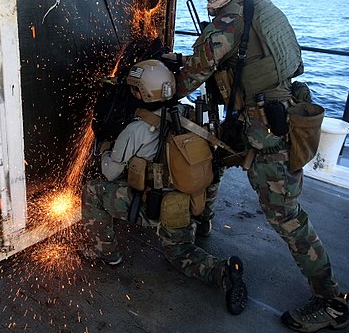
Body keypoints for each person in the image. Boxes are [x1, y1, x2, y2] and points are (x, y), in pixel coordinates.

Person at [169, 0, 349, 332]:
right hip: (256, 120)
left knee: (285, 217)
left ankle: (331, 301)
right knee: (214, 164)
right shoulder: (257, 5)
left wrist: (162, 78)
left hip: (267, 131)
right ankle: (204, 227)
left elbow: (191, 77)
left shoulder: (229, 21)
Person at [80, 59, 248, 315]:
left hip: (164, 208)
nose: (133, 94)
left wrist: (105, 150)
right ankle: (204, 223)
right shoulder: (189, 115)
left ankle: (107, 252)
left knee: (93, 191)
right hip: (194, 200)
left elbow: (110, 172)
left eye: (135, 89)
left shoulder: (136, 130)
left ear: (143, 93)